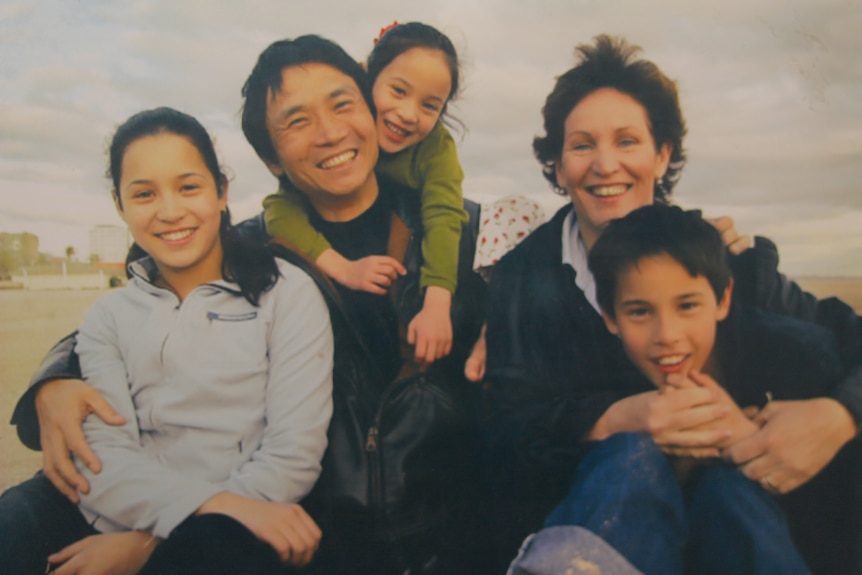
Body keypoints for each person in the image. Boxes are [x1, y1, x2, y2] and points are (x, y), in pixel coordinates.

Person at [9, 35, 486, 575]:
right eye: (297, 121)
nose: (330, 132)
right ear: (270, 158)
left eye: (342, 104)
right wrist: (53, 381)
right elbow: (153, 307)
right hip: (306, 522)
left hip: (424, 532)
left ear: (372, 108)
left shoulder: (459, 231)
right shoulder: (256, 253)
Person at [480, 35, 862, 575]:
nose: (605, 164)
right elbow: (497, 440)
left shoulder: (727, 263)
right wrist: (611, 419)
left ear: (662, 155)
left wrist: (840, 414)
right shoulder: (522, 278)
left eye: (628, 141)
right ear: (559, 165)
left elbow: (846, 342)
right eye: (582, 145)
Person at [0, 107, 334, 575]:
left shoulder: (287, 293)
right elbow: (103, 462)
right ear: (120, 206)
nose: (170, 210)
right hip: (126, 513)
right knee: (12, 521)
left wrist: (150, 547)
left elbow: (291, 454)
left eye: (188, 187)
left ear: (221, 191)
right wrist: (156, 529)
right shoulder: (107, 316)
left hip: (240, 522)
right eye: (144, 194)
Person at [262, 21, 467, 365]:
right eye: (398, 92)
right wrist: (342, 268)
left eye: (430, 106)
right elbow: (279, 210)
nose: (407, 114)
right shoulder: (343, 126)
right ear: (366, 78)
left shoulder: (435, 149)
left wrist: (436, 304)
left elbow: (444, 215)